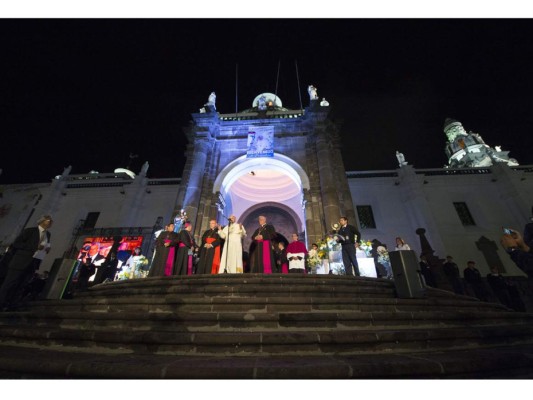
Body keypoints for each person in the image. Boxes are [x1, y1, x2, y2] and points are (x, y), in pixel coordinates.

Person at [0, 215, 52, 311]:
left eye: (51, 222)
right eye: (48, 221)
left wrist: (47, 249)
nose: (50, 223)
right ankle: (1, 303)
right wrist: (34, 247)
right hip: (20, 261)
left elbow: (45, 245)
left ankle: (13, 304)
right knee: (9, 283)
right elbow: (17, 243)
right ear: (41, 221)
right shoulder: (30, 231)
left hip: (33, 263)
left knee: (21, 285)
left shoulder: (48, 234)